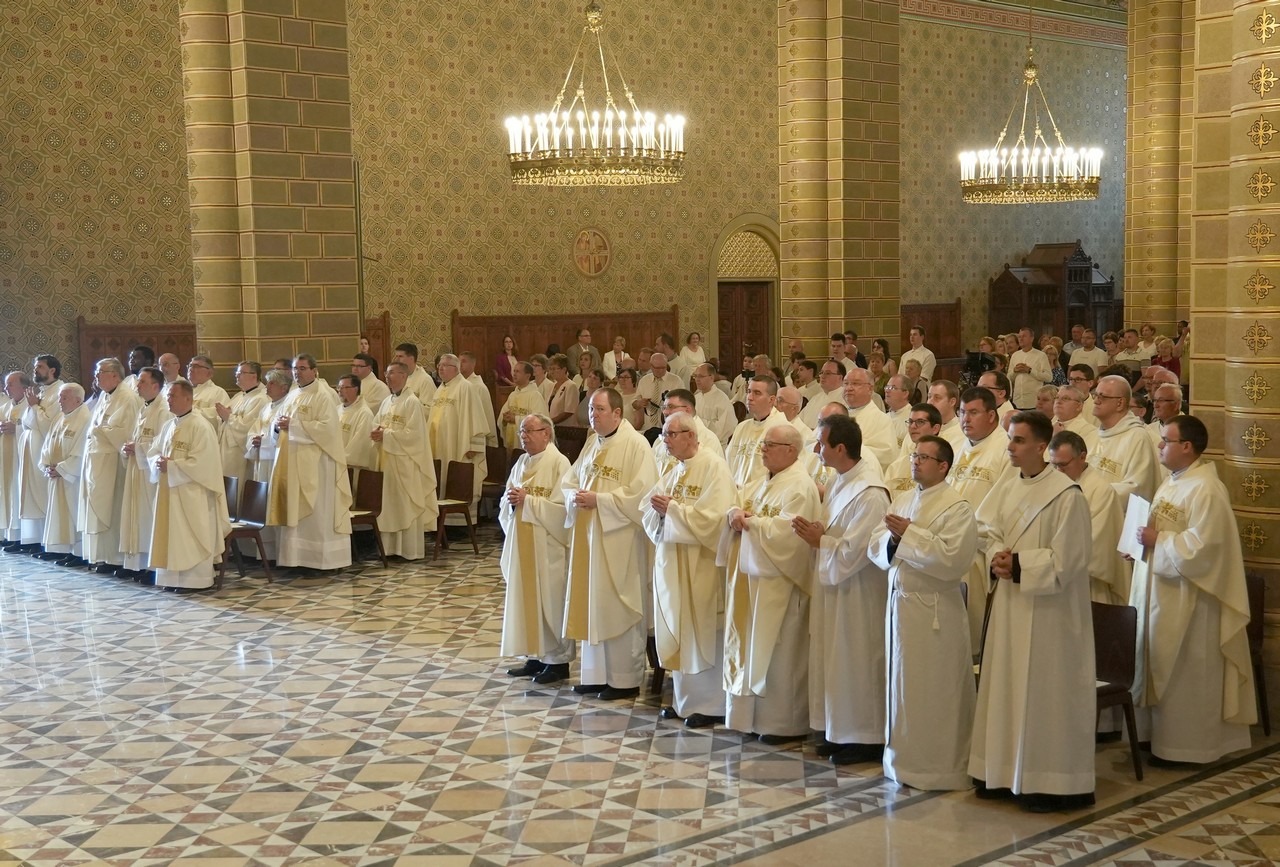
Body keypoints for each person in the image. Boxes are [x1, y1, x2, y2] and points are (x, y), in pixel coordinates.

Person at [970, 411, 1095, 813]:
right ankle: (1000, 771)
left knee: (1044, 694)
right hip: (1010, 606)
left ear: (1042, 446)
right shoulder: (1008, 485)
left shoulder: (1066, 495)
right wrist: (997, 556)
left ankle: (1048, 781)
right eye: (1010, 439)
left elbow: (1071, 559)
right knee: (1006, 686)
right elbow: (985, 528)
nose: (1010, 446)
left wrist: (1020, 564)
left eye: (1019, 440)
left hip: (1049, 615)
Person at [1132, 414, 1256, 765]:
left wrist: (1159, 541)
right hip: (1161, 593)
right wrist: (1139, 545)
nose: (1159, 446)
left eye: (1166, 440)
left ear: (1186, 446)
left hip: (1193, 601)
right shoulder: (1172, 482)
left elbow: (1205, 548)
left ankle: (1188, 748)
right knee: (1158, 665)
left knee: (1187, 673)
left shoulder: (1206, 489)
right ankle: (1156, 738)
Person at [870, 433, 979, 790]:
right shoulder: (903, 498)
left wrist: (909, 535)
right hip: (901, 607)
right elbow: (875, 543)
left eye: (924, 458)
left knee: (934, 689)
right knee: (903, 687)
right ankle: (902, 762)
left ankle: (939, 767)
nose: (915, 462)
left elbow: (953, 560)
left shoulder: (957, 507)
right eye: (914, 456)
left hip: (935, 613)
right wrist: (893, 540)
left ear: (943, 466)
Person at [794, 413, 890, 764]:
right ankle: (838, 731)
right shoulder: (839, 480)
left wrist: (821, 541)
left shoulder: (871, 493)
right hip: (835, 588)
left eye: (821, 444)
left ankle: (865, 737)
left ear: (840, 448)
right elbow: (834, 530)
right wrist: (818, 533)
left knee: (857, 659)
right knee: (835, 659)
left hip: (859, 592)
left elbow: (859, 550)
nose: (815, 450)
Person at [720, 424, 821, 743]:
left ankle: (783, 723)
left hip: (780, 583)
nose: (762, 449)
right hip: (750, 580)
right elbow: (736, 504)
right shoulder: (760, 479)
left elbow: (790, 534)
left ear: (791, 450)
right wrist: (734, 514)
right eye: (763, 444)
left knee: (780, 651)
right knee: (749, 646)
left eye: (770, 445)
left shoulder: (801, 486)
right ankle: (749, 718)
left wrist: (750, 523)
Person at [561, 388, 658, 700]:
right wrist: (573, 496)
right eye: (591, 409)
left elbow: (641, 495)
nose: (593, 415)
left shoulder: (636, 445)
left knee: (618, 605)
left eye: (600, 409)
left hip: (620, 542)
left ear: (617, 413)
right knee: (593, 603)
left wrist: (599, 500)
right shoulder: (592, 443)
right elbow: (569, 480)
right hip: (590, 539)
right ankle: (596, 675)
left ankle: (625, 680)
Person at [642, 410, 734, 726]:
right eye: (664, 434)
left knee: (704, 632)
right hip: (675, 565)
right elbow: (648, 510)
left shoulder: (714, 468)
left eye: (670, 434)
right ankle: (684, 702)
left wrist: (674, 511)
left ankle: (712, 706)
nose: (665, 440)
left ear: (691, 436)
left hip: (701, 566)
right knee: (680, 629)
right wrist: (662, 513)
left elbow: (717, 520)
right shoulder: (675, 470)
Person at [501, 414, 575, 685]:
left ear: (547, 433)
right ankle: (533, 656)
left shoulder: (559, 463)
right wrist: (511, 502)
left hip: (548, 547)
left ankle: (557, 662)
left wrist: (528, 501)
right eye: (522, 431)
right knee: (526, 600)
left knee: (551, 603)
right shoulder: (521, 462)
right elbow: (507, 500)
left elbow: (564, 510)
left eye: (530, 430)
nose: (524, 436)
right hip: (523, 543)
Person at [269, 354, 353, 570]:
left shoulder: (323, 395)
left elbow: (328, 429)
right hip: (292, 462)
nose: (297, 373)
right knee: (294, 510)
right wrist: (277, 427)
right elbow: (278, 423)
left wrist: (294, 425)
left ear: (314, 371)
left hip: (317, 465)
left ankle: (320, 561)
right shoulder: (292, 395)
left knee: (317, 513)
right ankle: (295, 559)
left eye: (302, 368)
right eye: (295, 369)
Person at [147, 380, 231, 592]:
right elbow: (153, 451)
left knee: (191, 536)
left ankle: (195, 581)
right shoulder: (169, 425)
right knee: (171, 535)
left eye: (173, 396)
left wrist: (172, 466)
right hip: (170, 491)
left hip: (193, 495)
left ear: (188, 398)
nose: (168, 400)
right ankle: (171, 579)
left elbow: (204, 464)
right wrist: (157, 461)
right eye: (168, 396)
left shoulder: (200, 426)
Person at [1048, 431, 1128, 605]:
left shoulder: (1101, 491)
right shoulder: (1052, 485)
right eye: (1054, 465)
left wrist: (1055, 559)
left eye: (1063, 465)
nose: (1058, 471)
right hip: (1052, 576)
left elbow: (1095, 543)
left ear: (1082, 457)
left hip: (1086, 583)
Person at [78, 357, 142, 573]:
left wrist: (101, 431)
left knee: (115, 511)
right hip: (99, 462)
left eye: (100, 372)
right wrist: (99, 430)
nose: (96, 376)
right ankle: (104, 557)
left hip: (115, 464)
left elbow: (128, 432)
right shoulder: (105, 396)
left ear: (115, 375)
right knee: (101, 510)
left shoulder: (128, 398)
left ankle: (117, 558)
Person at [371, 362, 437, 561]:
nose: (387, 377)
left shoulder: (412, 402)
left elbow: (414, 435)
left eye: (392, 373)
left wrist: (386, 435)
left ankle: (409, 550)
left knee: (405, 505)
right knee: (389, 506)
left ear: (403, 376)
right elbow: (376, 423)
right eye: (386, 373)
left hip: (405, 463)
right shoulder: (387, 401)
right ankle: (389, 549)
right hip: (388, 462)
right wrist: (376, 432)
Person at [119, 367, 171, 579]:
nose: (137, 386)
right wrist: (128, 448)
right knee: (137, 516)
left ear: (155, 386)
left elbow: (163, 445)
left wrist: (138, 449)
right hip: (137, 471)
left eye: (142, 382)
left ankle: (153, 566)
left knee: (149, 516)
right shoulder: (143, 408)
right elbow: (137, 437)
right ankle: (138, 564)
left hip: (151, 475)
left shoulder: (164, 411)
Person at [427, 354, 490, 526]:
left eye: (445, 365)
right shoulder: (440, 390)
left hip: (459, 446)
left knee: (459, 481)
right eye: (439, 365)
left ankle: (460, 525)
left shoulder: (466, 388)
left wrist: (474, 446)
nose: (440, 368)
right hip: (439, 445)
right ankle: (443, 524)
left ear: (456, 369)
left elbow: (476, 418)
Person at [40, 383, 91, 567]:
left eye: (64, 398)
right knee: (62, 516)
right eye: (60, 397)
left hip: (73, 479)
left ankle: (80, 552)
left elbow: (81, 451)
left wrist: (62, 468)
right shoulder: (59, 418)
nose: (60, 401)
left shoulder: (85, 418)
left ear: (78, 400)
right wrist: (47, 465)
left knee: (74, 513)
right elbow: (48, 444)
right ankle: (68, 550)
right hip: (57, 476)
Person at [19, 355, 66, 553]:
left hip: (46, 450)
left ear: (52, 370)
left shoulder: (60, 392)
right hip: (35, 450)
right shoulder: (42, 392)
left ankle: (51, 545)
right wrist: (34, 406)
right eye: (35, 366)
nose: (35, 370)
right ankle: (40, 540)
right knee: (36, 494)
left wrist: (34, 406)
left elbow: (49, 425)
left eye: (40, 366)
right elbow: (27, 422)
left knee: (46, 496)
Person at [1090, 374, 1160, 503]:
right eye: (1095, 395)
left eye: (1102, 396)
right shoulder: (1093, 435)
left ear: (1120, 403)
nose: (1096, 401)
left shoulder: (1137, 437)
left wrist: (1091, 494)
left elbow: (1137, 488)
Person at [726, 376, 788, 490]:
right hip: (736, 493)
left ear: (771, 399)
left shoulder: (783, 430)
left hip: (763, 495)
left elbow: (782, 474)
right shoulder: (741, 427)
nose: (750, 397)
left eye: (757, 393)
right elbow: (728, 462)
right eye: (749, 391)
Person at [651, 389, 723, 476]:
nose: (665, 412)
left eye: (670, 406)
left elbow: (712, 475)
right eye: (664, 407)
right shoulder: (660, 440)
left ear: (687, 410)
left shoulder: (708, 440)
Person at [217, 361, 270, 478]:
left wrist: (228, 417)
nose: (236, 375)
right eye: (237, 372)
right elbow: (225, 417)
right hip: (227, 450)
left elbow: (249, 428)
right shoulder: (238, 396)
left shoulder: (260, 399)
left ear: (254, 376)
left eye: (241, 372)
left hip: (239, 454)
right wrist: (222, 417)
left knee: (239, 484)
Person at [840, 369, 897, 472]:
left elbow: (886, 455)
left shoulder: (882, 420)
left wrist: (843, 451)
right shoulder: (836, 415)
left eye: (855, 383)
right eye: (846, 383)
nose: (848, 388)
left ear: (870, 389)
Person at [0, 372, 32, 547]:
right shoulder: (6, 406)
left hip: (22, 459)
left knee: (18, 494)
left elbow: (37, 428)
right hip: (6, 458)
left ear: (24, 387)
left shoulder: (31, 405)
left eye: (10, 384)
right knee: (7, 494)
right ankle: (10, 535)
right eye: (6, 384)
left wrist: (17, 428)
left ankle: (22, 537)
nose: (6, 388)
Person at [884, 404, 940, 499]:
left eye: (920, 422)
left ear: (935, 428)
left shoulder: (942, 465)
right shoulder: (895, 467)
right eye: (910, 422)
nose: (913, 426)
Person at [498, 361, 549, 449]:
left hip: (527, 445)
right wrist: (504, 419)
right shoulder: (513, 395)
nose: (514, 374)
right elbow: (502, 417)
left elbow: (539, 421)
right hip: (512, 440)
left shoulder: (534, 395)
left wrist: (515, 419)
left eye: (518, 371)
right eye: (514, 371)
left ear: (527, 376)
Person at [634, 353, 683, 440]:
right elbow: (634, 404)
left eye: (663, 367)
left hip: (668, 430)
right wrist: (639, 403)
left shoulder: (676, 381)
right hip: (648, 429)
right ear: (651, 366)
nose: (660, 370)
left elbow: (683, 405)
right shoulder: (644, 381)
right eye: (657, 368)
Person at [337, 375, 378, 473]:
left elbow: (359, 445)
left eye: (344, 387)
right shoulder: (337, 410)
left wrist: (340, 459)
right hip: (335, 462)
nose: (340, 391)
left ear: (355, 389)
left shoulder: (364, 414)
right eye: (339, 387)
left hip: (351, 467)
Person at [693, 363, 735, 447]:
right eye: (695, 376)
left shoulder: (722, 399)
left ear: (711, 377)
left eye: (700, 376)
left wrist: (700, 423)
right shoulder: (696, 398)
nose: (697, 379)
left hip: (716, 446)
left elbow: (727, 427)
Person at [1008, 328, 1051, 409]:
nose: (1021, 339)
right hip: (1017, 402)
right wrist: (1015, 371)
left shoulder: (1041, 355)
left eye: (1024, 336)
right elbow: (1009, 377)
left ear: (1031, 338)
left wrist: (1030, 370)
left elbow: (1048, 377)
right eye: (1019, 336)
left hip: (1033, 402)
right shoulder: (1015, 355)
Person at [1050, 385, 1099, 456]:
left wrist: (1057, 438)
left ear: (1079, 406)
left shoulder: (1089, 432)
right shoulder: (1049, 426)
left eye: (1065, 398)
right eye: (1057, 397)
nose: (1059, 401)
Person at [798, 361, 847, 429]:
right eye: (821, 373)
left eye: (828, 373)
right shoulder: (815, 398)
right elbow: (799, 420)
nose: (822, 376)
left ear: (840, 377)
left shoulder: (846, 399)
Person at [186, 355, 231, 426]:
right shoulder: (184, 391)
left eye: (196, 366)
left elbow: (218, 418)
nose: (191, 369)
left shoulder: (218, 392)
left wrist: (189, 411)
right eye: (190, 366)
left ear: (209, 373)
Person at [393, 343, 438, 410]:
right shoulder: (399, 378)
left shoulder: (425, 380)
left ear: (411, 359)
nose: (396, 360)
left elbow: (429, 409)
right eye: (396, 356)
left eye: (400, 356)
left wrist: (405, 407)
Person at [546, 353, 579, 426]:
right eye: (550, 369)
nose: (551, 372)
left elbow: (569, 411)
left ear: (564, 369)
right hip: (552, 426)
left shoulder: (571, 386)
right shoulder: (552, 385)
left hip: (566, 427)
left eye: (554, 369)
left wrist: (551, 421)